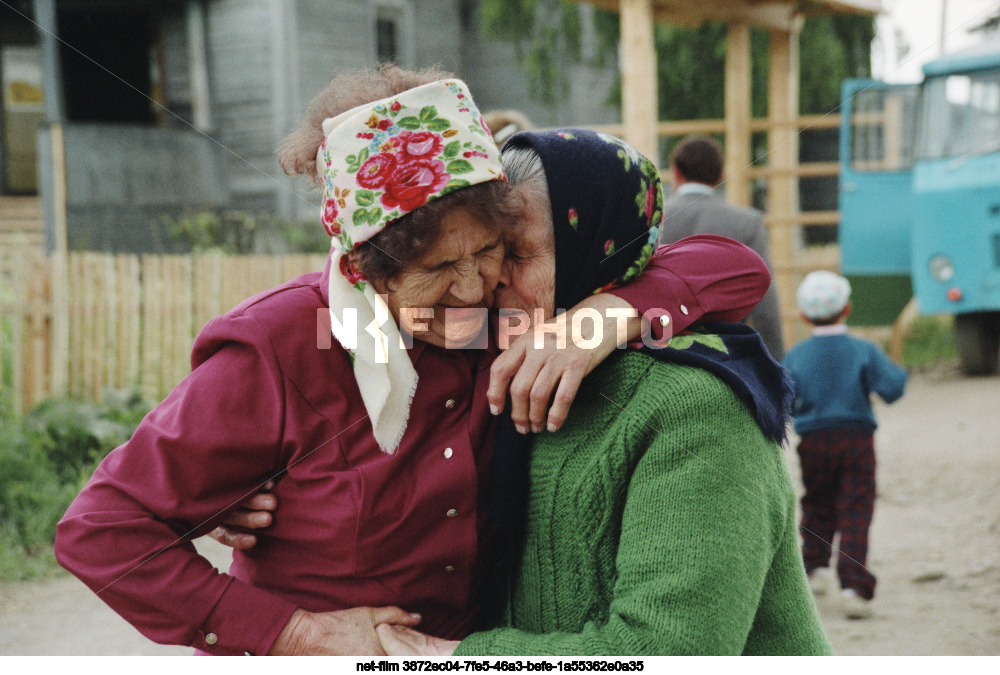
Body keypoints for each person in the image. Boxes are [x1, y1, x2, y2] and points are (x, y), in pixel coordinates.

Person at [55, 66, 769, 656]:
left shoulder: (505, 310)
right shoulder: (278, 349)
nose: (472, 288)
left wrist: (611, 311)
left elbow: (731, 265)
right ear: (369, 269)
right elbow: (103, 528)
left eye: (489, 250)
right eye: (435, 268)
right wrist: (293, 631)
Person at [236, 130, 833, 655]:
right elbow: (331, 333)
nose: (486, 280)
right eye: (485, 250)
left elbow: (668, 651)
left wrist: (451, 656)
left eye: (516, 254)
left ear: (595, 248)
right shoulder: (495, 336)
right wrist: (247, 468)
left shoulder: (690, 408)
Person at [781, 270, 908, 620]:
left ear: (805, 316)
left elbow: (783, 400)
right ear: (847, 309)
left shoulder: (796, 355)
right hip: (856, 439)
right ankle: (853, 586)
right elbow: (893, 388)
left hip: (813, 441)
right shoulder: (863, 349)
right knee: (855, 508)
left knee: (817, 502)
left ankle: (814, 568)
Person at [659, 134, 785, 360]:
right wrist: (775, 365)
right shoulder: (747, 223)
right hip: (726, 354)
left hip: (662, 350)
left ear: (676, 171)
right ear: (720, 175)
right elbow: (765, 306)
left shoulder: (654, 218)